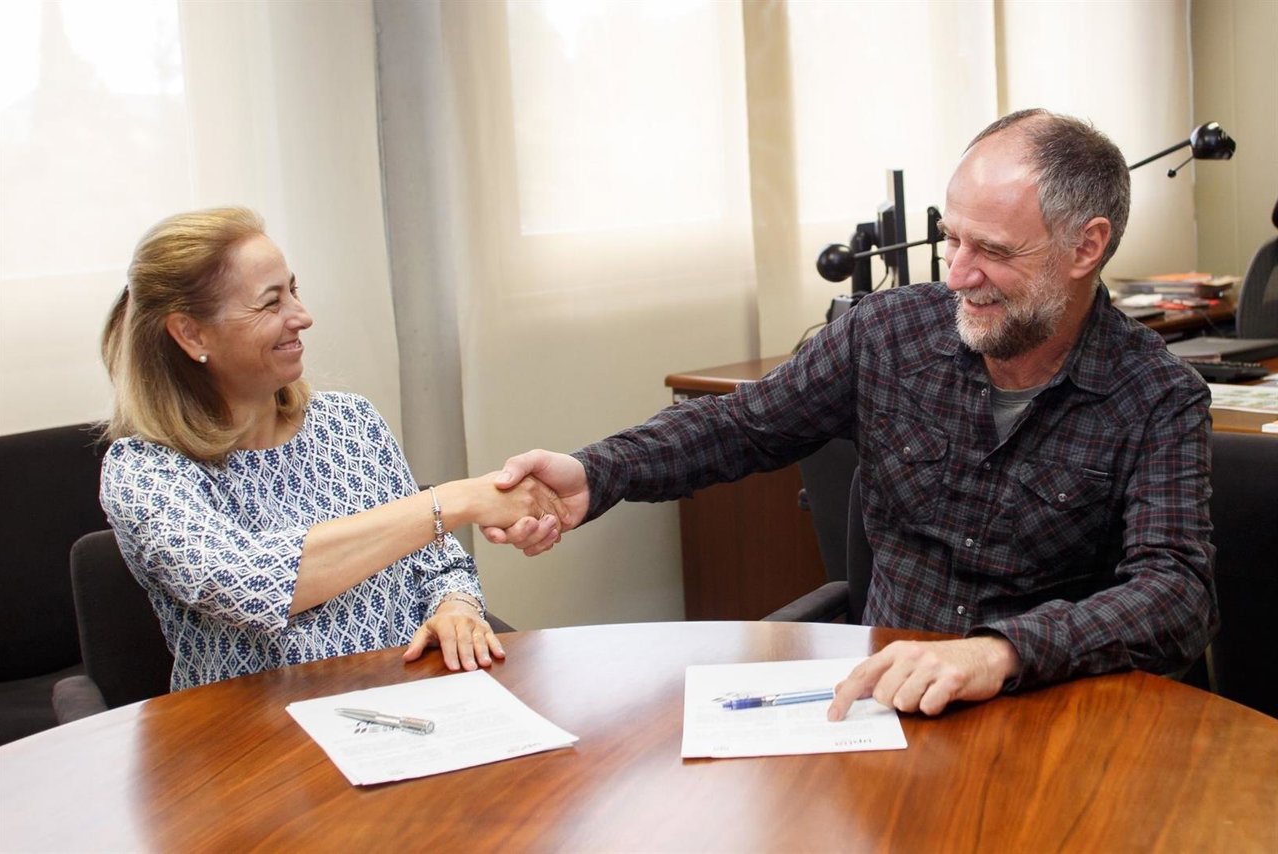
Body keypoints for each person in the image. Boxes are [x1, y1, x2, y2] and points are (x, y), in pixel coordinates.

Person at [483, 109, 1217, 718]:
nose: (957, 273)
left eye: (992, 250)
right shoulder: (888, 332)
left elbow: (1176, 595)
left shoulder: (1156, 397)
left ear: (1086, 245)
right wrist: (594, 472)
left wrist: (1001, 652)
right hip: (881, 712)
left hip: (1051, 709)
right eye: (949, 237)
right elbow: (739, 427)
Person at [100, 207, 563, 690]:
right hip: (254, 744)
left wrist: (457, 607)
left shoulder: (349, 421)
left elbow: (437, 560)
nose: (302, 317)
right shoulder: (144, 472)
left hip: (409, 709)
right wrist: (458, 499)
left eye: (293, 291)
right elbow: (252, 584)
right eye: (270, 303)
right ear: (191, 333)